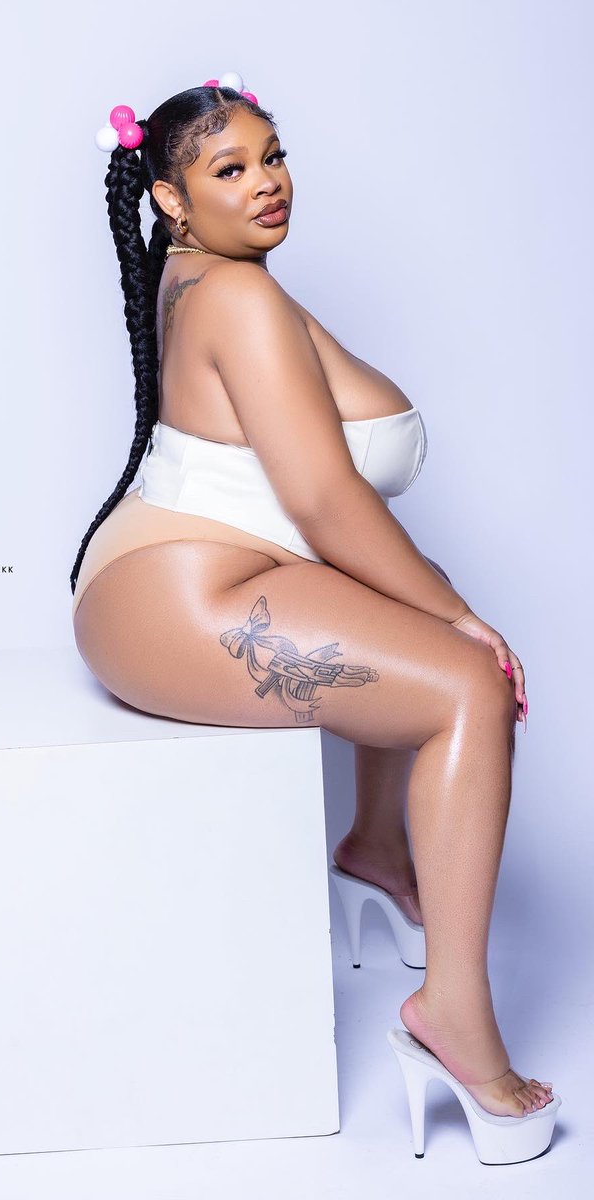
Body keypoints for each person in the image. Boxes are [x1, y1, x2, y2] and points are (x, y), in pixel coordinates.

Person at [70, 76, 560, 1162]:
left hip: (193, 571)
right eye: (231, 168)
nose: (268, 182)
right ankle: (453, 1017)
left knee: (418, 610)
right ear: (170, 200)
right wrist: (467, 617)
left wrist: (437, 599)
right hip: (178, 598)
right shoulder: (235, 297)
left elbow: (321, 502)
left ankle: (376, 854)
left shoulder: (222, 276)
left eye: (274, 155)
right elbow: (327, 499)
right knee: (469, 684)